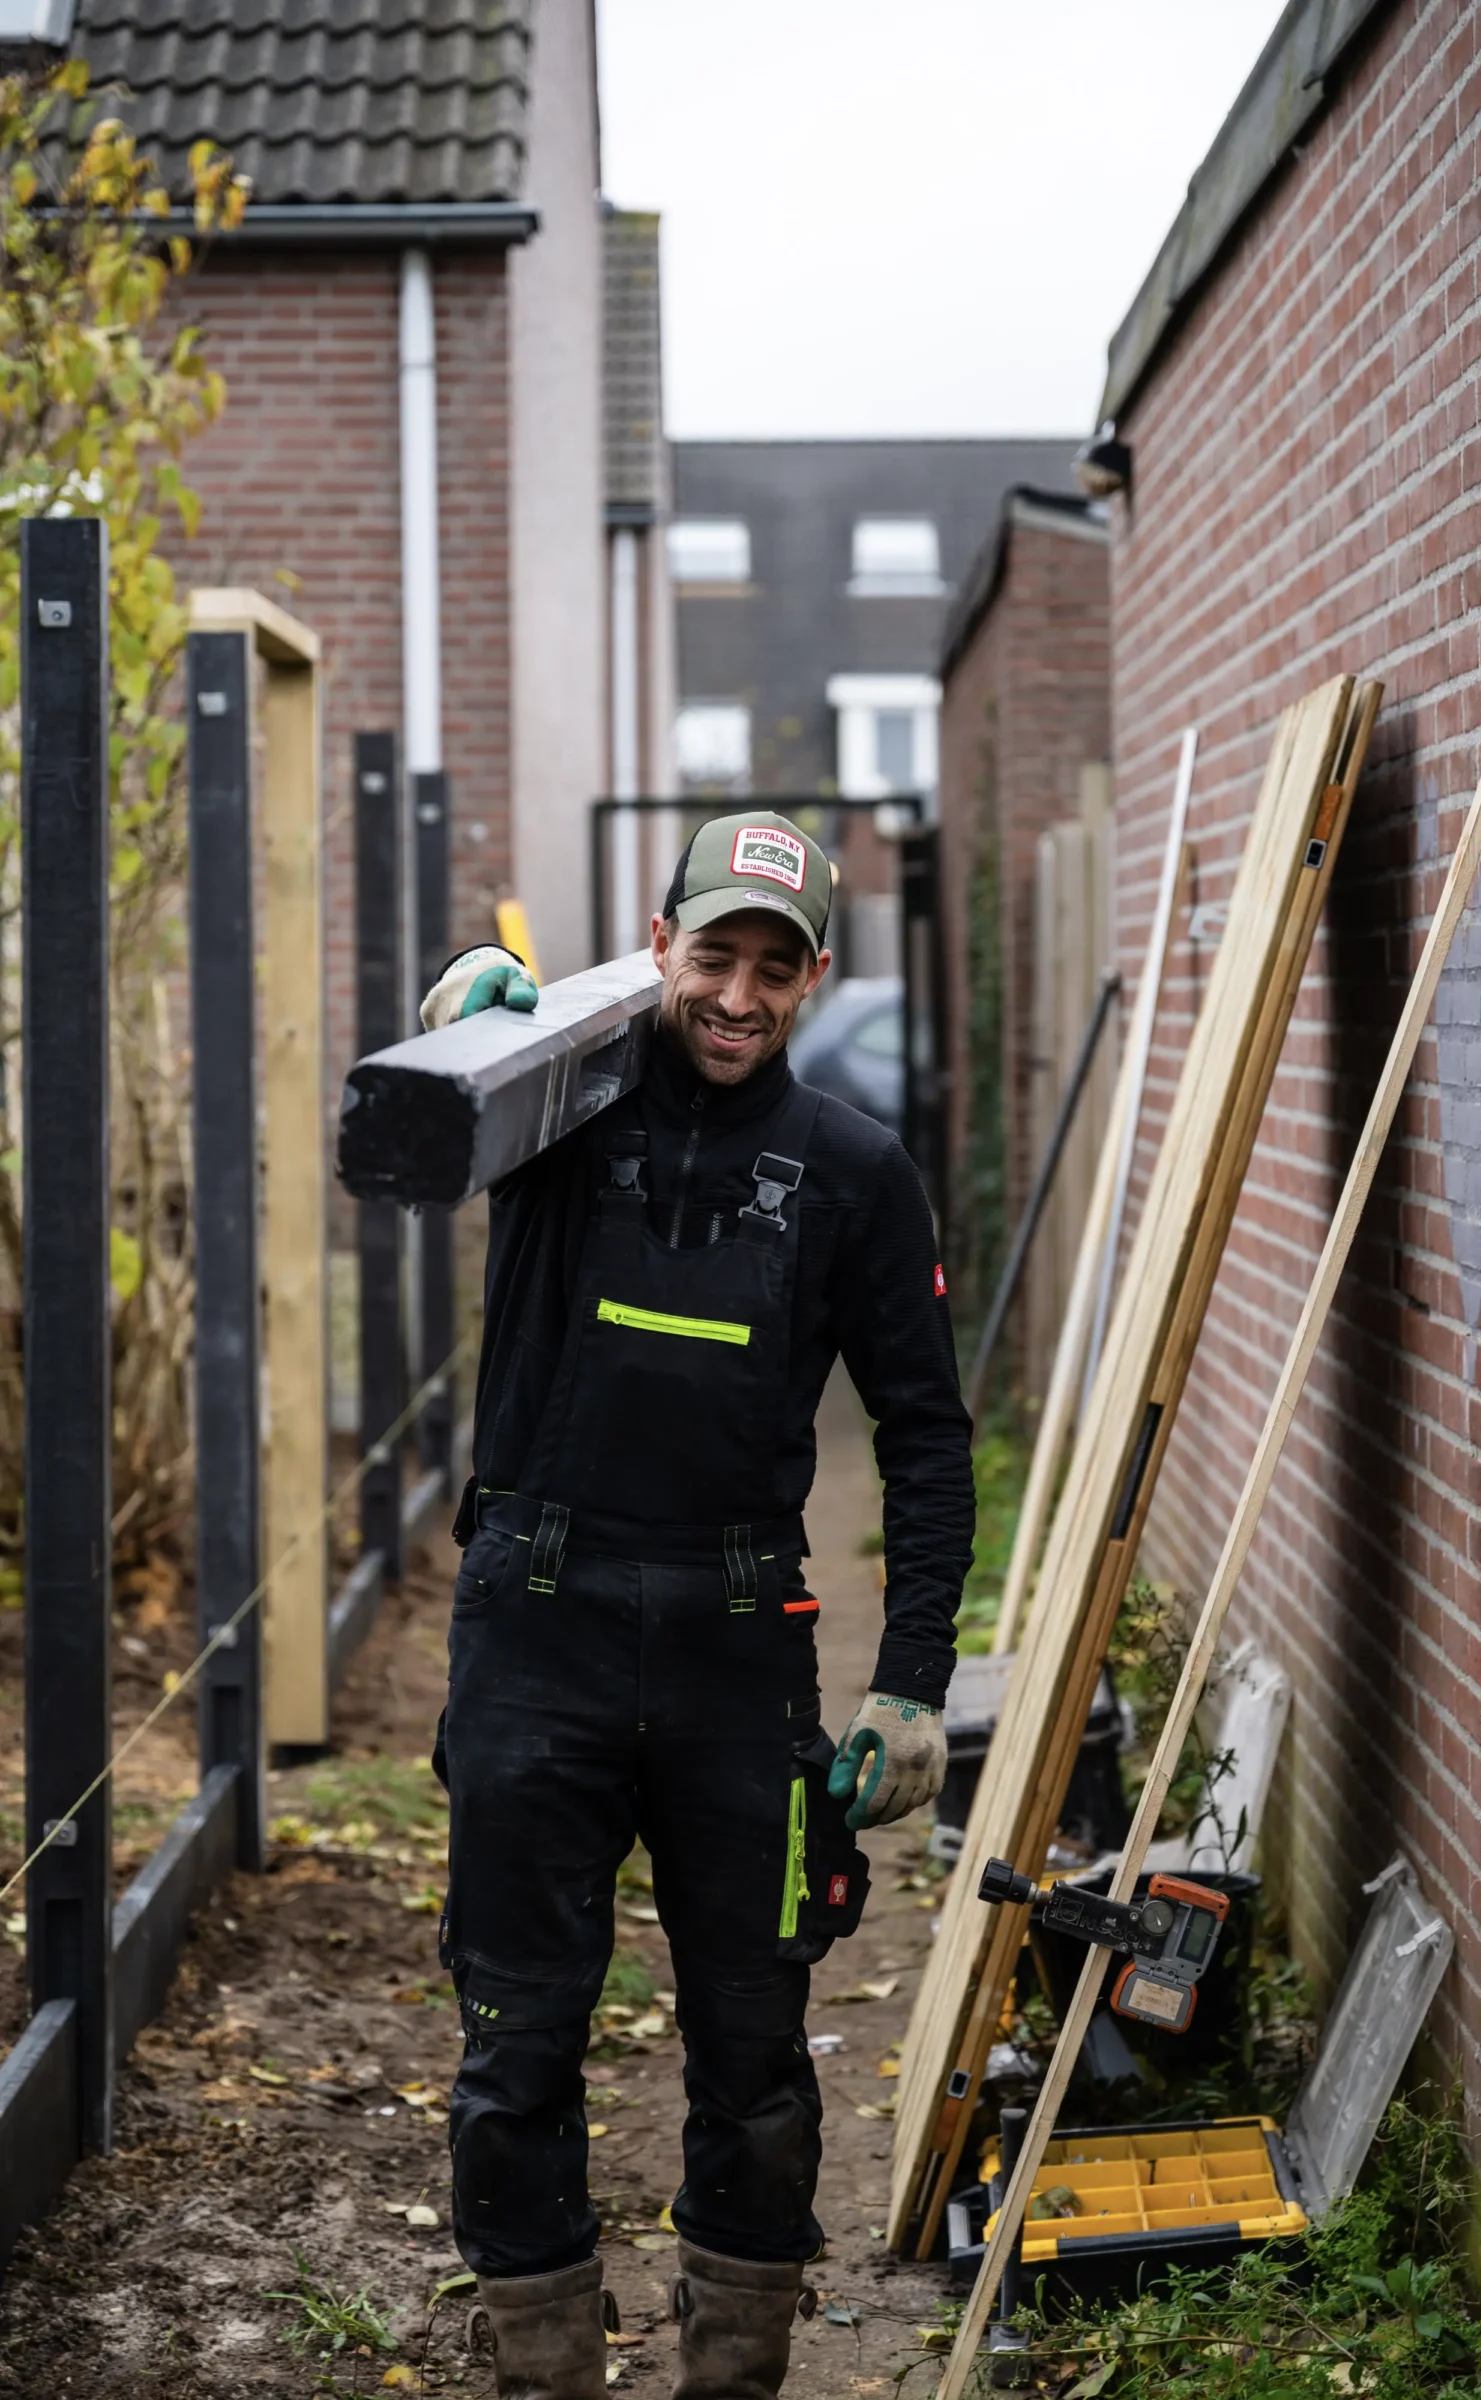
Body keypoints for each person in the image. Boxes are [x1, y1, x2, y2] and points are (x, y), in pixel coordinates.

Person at [423, 812, 974, 2400]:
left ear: (811, 980)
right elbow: (441, 1066)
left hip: (743, 1655)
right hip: (534, 1630)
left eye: (773, 966)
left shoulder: (858, 1175)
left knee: (754, 2050)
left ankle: (732, 2371)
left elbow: (926, 1439)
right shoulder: (551, 1114)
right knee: (518, 2039)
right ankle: (547, 2369)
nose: (738, 994)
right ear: (658, 948)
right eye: (713, 953)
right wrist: (476, 981)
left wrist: (912, 1681)